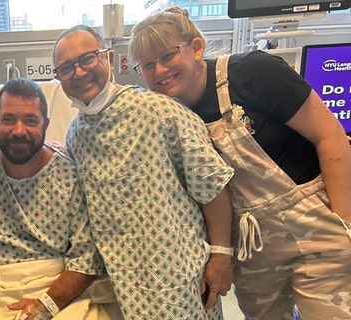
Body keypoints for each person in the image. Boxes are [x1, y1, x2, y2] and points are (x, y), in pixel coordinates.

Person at [128, 7, 351, 320]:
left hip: (315, 225)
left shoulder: (254, 73)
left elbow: (330, 136)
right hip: (251, 246)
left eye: (167, 56)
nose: (160, 70)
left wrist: (344, 223)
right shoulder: (166, 118)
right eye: (147, 65)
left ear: (196, 47)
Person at [52, 25, 236, 320]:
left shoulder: (161, 111)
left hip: (180, 281)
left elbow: (212, 186)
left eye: (88, 59)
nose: (79, 72)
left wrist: (221, 255)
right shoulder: (75, 134)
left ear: (109, 59)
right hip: (122, 286)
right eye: (65, 68)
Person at [0, 77, 121, 320]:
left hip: (58, 290)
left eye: (30, 121)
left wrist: (45, 307)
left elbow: (86, 262)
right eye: (8, 119)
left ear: (46, 124)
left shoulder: (72, 178)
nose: (18, 131)